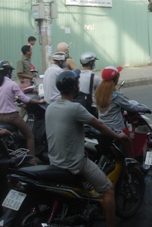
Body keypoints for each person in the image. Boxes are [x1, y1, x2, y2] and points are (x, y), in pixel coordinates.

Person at [46, 70, 129, 227]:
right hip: (74, 164)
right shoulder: (75, 108)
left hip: (54, 161)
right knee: (108, 189)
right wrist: (117, 136)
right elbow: (100, 125)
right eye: (77, 84)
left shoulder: (50, 107)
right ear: (73, 87)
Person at [96, 66, 151, 157]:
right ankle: (131, 163)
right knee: (128, 144)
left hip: (103, 127)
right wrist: (145, 108)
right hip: (117, 128)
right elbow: (130, 107)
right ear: (116, 78)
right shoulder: (116, 95)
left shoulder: (98, 92)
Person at [0, 61, 45, 157]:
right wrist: (39, 102)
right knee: (29, 136)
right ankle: (32, 160)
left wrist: (13, 99)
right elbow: (25, 99)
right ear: (9, 71)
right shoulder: (12, 84)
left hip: (0, 116)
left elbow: (4, 97)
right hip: (12, 117)